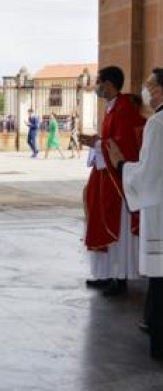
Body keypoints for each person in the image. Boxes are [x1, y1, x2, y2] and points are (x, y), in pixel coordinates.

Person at [107, 68, 163, 359]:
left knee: (160, 276)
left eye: (150, 86)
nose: (146, 91)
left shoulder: (157, 123)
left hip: (160, 208)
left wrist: (120, 165)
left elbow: (148, 173)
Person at [81, 65, 146, 297]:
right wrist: (97, 142)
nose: (97, 87)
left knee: (118, 227)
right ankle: (106, 274)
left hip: (117, 180)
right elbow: (110, 140)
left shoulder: (125, 107)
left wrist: (97, 143)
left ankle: (120, 277)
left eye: (99, 82)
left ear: (109, 83)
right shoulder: (111, 107)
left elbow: (124, 142)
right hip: (105, 175)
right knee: (103, 221)